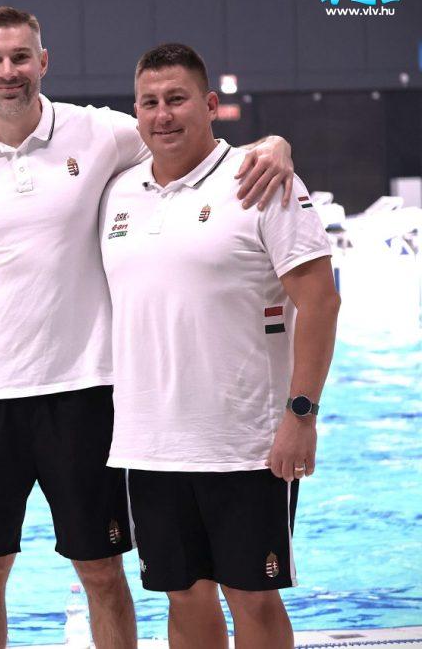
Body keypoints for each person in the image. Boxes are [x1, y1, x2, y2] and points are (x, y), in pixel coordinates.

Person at [0, 6, 295, 649]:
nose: (7, 71)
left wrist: (272, 144)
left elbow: (192, 140)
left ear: (43, 62)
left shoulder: (102, 133)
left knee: (102, 571)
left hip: (86, 392)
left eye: (21, 57)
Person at [99, 43, 339, 648]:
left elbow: (320, 301)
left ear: (209, 105)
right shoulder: (118, 193)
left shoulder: (261, 180)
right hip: (150, 443)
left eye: (177, 99)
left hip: (246, 444)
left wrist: (301, 417)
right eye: (149, 102)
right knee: (183, 595)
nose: (163, 115)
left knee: (252, 596)